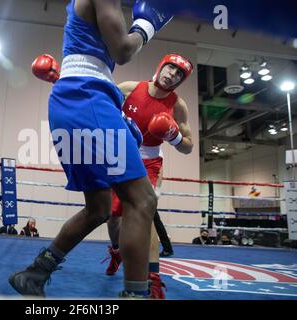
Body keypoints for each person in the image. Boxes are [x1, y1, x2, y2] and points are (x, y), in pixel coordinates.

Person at [9, 0, 173, 298]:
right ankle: (136, 295)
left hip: (75, 99)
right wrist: (147, 26)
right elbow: (123, 51)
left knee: (99, 208)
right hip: (86, 96)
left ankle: (35, 274)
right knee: (142, 200)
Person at [104, 53, 194, 299]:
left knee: (146, 218)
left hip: (150, 163)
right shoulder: (130, 89)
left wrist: (173, 136)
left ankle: (152, 277)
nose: (172, 75)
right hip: (120, 155)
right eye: (170, 68)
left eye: (178, 74)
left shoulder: (178, 105)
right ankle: (116, 251)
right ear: (160, 67)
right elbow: (100, 102)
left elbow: (188, 146)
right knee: (112, 218)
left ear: (180, 81)